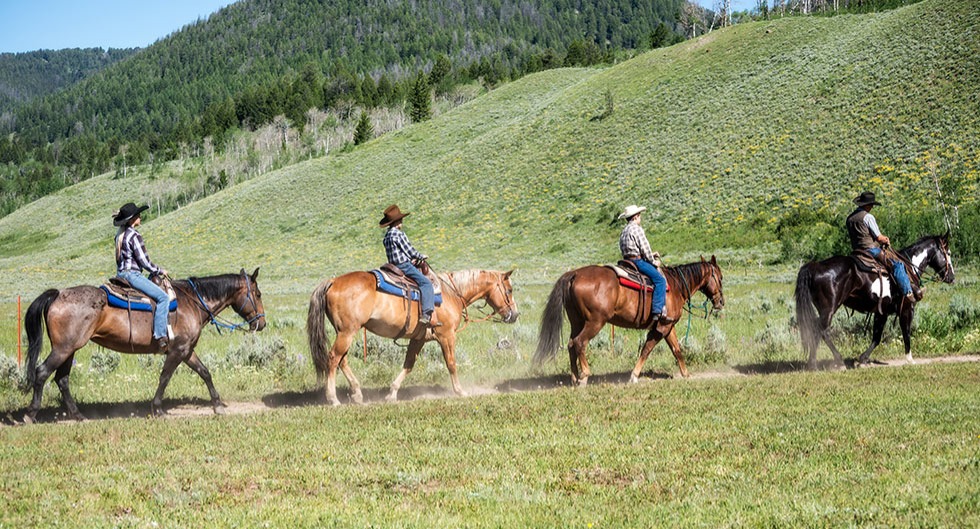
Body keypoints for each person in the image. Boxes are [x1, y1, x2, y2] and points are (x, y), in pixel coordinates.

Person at [113, 202, 171, 350]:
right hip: (132, 275)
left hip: (120, 275)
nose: (140, 216)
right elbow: (144, 262)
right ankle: (160, 335)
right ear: (132, 219)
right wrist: (159, 270)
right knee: (163, 298)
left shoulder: (120, 235)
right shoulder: (134, 235)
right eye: (138, 215)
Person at [845, 191, 917, 301]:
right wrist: (886, 240)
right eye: (872, 205)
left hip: (856, 252)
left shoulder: (850, 218)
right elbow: (879, 238)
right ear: (868, 205)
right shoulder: (868, 217)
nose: (872, 207)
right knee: (897, 264)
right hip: (871, 250)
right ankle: (907, 292)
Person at [380, 204, 435, 326]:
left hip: (392, 266)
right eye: (401, 220)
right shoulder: (399, 234)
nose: (402, 222)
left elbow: (398, 252)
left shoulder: (387, 236)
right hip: (403, 266)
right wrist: (420, 256)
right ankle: (426, 314)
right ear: (397, 221)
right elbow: (409, 250)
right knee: (426, 283)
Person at [619, 204, 671, 322]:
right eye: (639, 216)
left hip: (626, 261)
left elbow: (629, 249)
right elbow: (644, 248)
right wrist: (653, 261)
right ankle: (657, 311)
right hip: (637, 261)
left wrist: (651, 254)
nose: (640, 218)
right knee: (660, 280)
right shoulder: (637, 229)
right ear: (636, 217)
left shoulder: (624, 231)